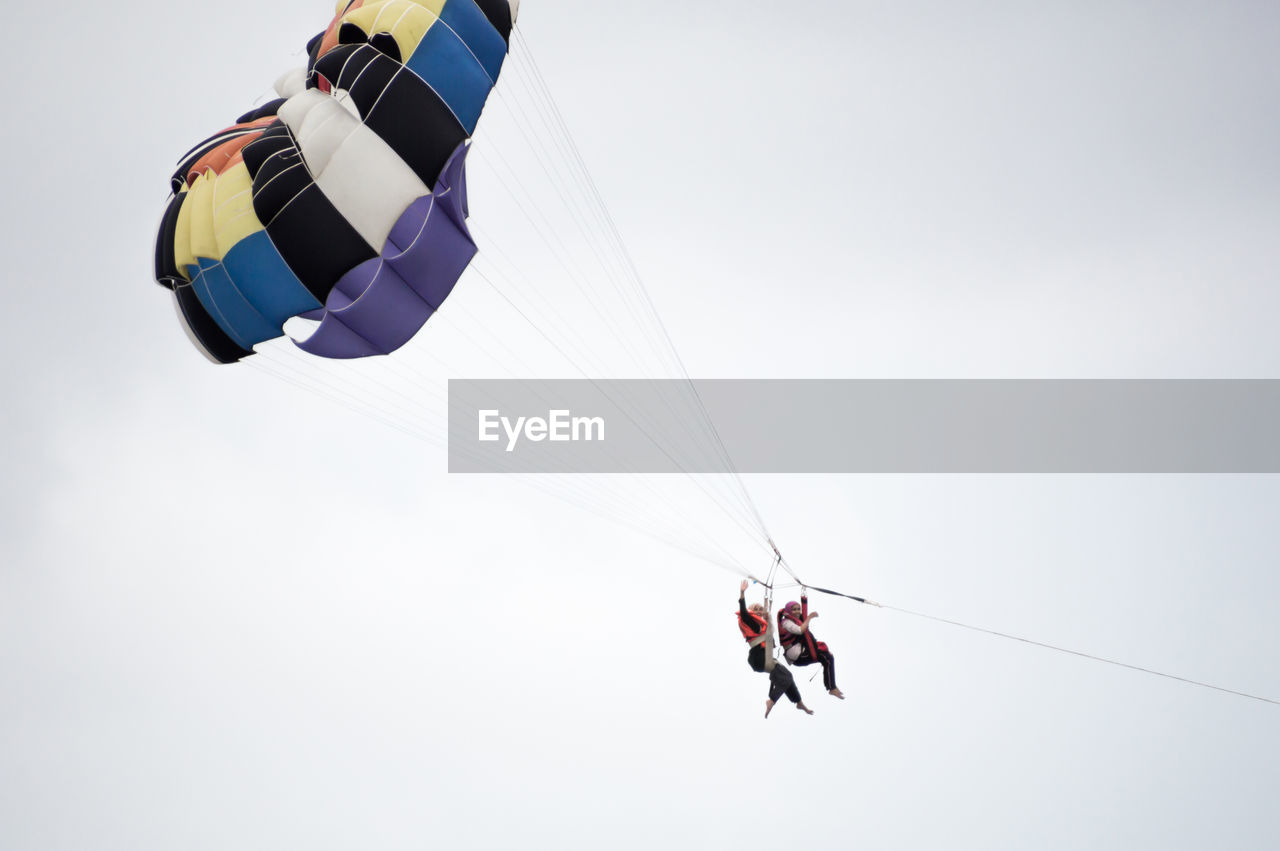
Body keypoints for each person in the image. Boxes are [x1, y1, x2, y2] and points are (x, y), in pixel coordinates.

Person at [738, 580, 812, 718]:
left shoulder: (763, 625)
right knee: (785, 677)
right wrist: (742, 593)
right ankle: (771, 700)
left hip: (763, 658)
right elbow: (743, 612)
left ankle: (798, 701)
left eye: (761, 609)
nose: (759, 612)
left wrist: (768, 615)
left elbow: (768, 629)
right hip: (759, 658)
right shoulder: (751, 622)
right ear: (751, 612)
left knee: (787, 677)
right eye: (756, 609)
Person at [777, 594, 844, 699]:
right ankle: (832, 688)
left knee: (828, 658)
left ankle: (831, 688)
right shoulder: (786, 622)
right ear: (788, 611)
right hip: (797, 657)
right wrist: (810, 617)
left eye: (798, 609)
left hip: (802, 652)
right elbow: (800, 630)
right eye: (794, 609)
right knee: (827, 657)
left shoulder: (796, 620)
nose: (797, 611)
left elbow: (802, 626)